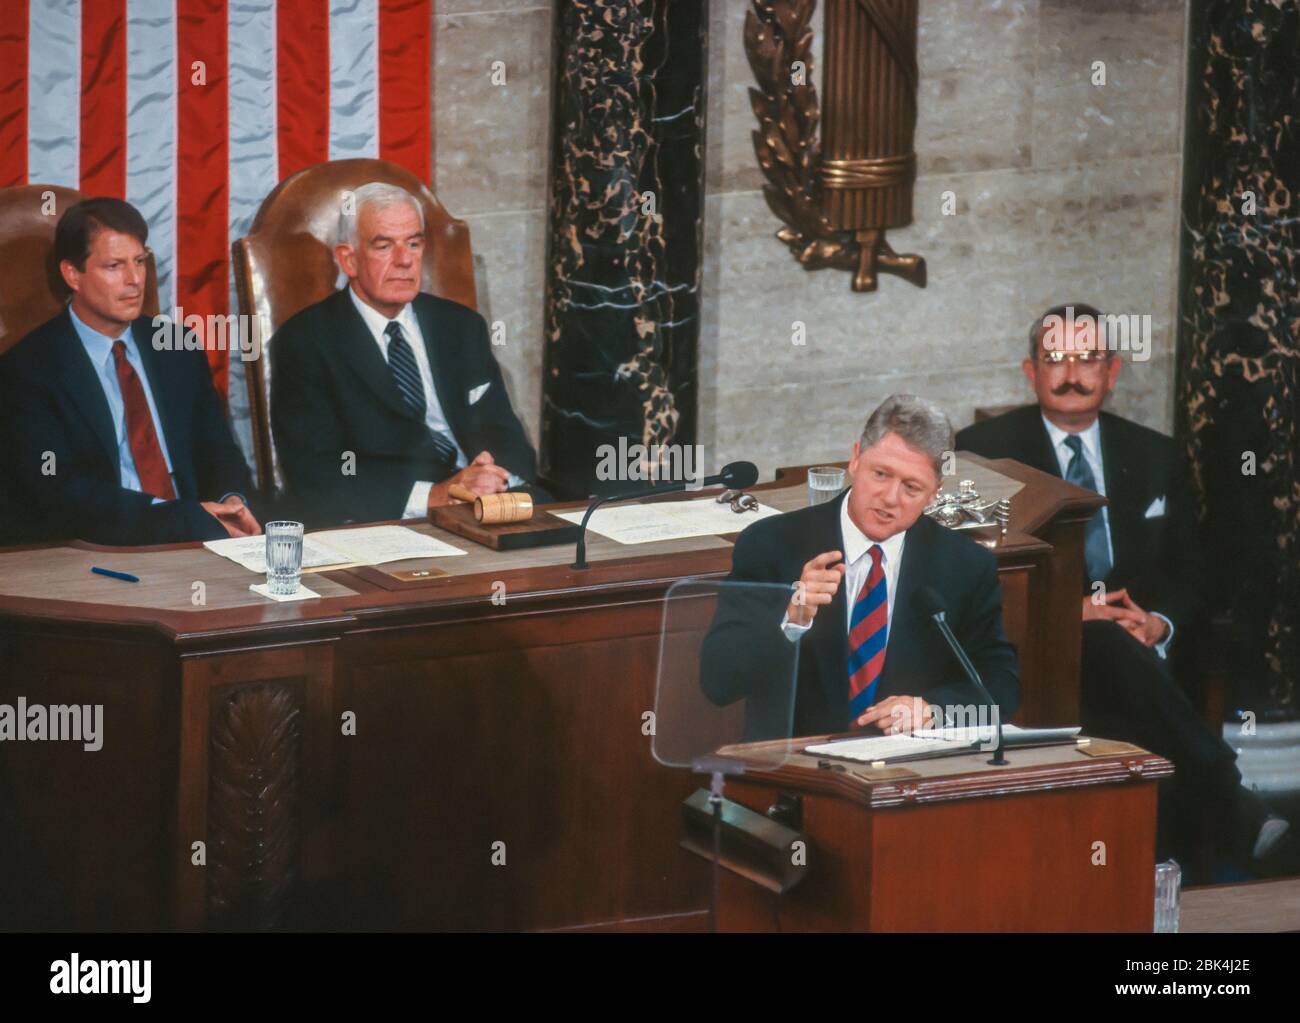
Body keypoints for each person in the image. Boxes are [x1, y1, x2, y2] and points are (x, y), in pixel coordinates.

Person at [957, 304, 1289, 866]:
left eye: (1088, 359)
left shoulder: (1155, 453)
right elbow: (970, 569)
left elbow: (1191, 568)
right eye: (1055, 358)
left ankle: (1140, 871)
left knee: (1120, 660)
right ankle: (1226, 801)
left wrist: (1159, 623)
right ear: (1029, 371)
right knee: (1106, 650)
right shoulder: (983, 450)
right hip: (1032, 647)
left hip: (1140, 651)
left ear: (1111, 372)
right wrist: (1067, 615)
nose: (1071, 373)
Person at [702, 394, 1019, 739]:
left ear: (934, 493)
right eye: (881, 474)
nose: (890, 498)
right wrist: (791, 618)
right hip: (800, 768)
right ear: (855, 459)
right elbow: (718, 682)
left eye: (912, 487)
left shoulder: (964, 565)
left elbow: (1001, 688)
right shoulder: (773, 544)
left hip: (905, 770)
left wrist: (933, 710)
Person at [270, 182, 539, 527]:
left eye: (414, 243)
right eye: (384, 246)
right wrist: (436, 495)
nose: (404, 260)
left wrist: (494, 479)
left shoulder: (460, 326)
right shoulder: (305, 341)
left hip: (492, 507)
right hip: (387, 521)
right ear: (348, 259)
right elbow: (317, 476)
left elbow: (506, 435)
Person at [0, 198, 258, 546]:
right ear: (72, 274)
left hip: (200, 540)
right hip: (96, 550)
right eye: (114, 266)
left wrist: (232, 500)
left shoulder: (176, 345)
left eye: (140, 261)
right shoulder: (28, 368)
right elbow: (57, 491)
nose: (135, 279)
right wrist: (180, 517)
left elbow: (217, 448)